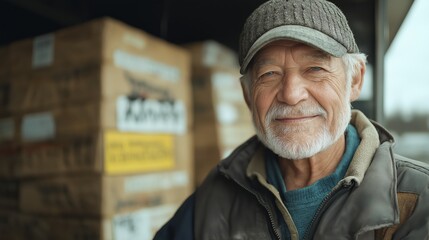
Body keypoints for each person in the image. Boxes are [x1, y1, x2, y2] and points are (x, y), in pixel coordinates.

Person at [154, 0, 429, 239]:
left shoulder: (417, 198)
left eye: (315, 68)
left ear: (354, 80)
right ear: (248, 94)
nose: (291, 94)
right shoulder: (215, 197)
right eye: (269, 74)